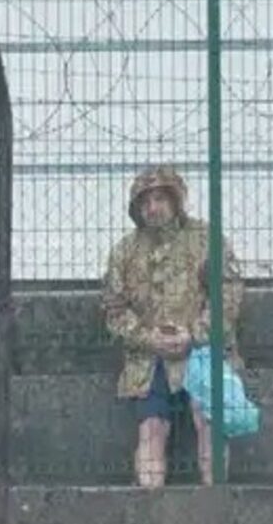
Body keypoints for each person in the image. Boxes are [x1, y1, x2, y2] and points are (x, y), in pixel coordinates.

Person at [102, 166, 244, 488]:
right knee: (151, 428)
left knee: (208, 418)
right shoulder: (125, 251)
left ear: (176, 200)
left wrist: (195, 334)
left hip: (203, 351)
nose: (153, 208)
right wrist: (146, 337)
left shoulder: (205, 240)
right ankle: (151, 509)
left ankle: (216, 500)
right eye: (145, 202)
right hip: (149, 361)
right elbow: (113, 308)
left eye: (160, 199)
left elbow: (228, 294)